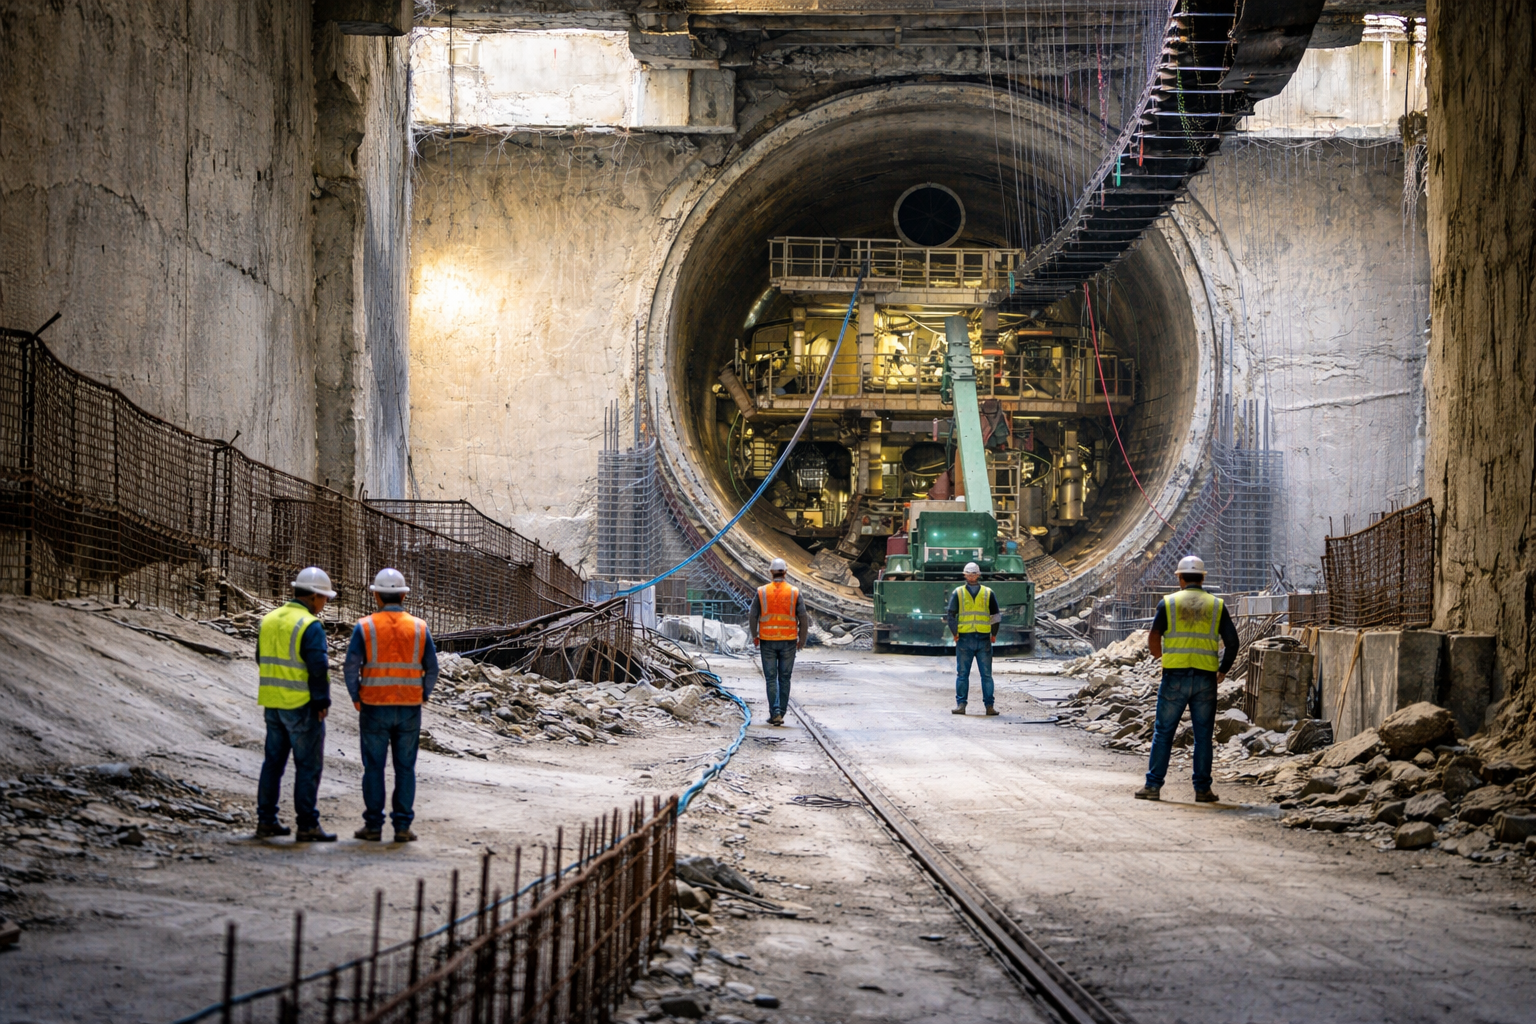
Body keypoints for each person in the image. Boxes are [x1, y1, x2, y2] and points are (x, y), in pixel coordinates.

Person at [345, 568, 439, 843]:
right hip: (409, 707)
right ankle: (402, 827)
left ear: (376, 595)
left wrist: (355, 696)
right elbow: (432, 668)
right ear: (403, 594)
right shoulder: (419, 627)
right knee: (405, 768)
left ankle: (373, 827)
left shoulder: (366, 626)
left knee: (373, 767)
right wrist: (424, 694)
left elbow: (351, 666)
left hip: (373, 706)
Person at [1136, 555, 1240, 803]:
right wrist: (1223, 669)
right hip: (1206, 680)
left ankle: (1153, 787)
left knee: (1163, 733)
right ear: (1203, 578)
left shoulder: (1169, 603)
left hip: (1174, 677)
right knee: (1203, 736)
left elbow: (1153, 637)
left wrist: (1161, 655)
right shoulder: (1216, 605)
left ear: (1180, 578)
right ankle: (1202, 790)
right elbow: (1233, 643)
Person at [255, 567, 337, 842]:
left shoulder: (269, 619)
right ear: (314, 596)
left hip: (272, 703)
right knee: (308, 766)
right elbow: (318, 667)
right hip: (302, 705)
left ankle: (266, 821)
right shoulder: (309, 625)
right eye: (324, 598)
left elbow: (260, 657)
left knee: (273, 764)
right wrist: (322, 701)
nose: (325, 604)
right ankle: (307, 825)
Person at [749, 557, 808, 726]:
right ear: (786, 573)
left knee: (770, 678)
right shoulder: (794, 592)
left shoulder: (762, 591)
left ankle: (774, 711)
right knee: (785, 677)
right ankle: (781, 712)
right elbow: (803, 617)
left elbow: (753, 615)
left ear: (771, 572)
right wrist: (801, 640)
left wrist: (755, 635)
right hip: (789, 641)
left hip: (767, 640)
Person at [945, 562, 1000, 716]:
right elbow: (951, 615)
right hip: (969, 638)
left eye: (973, 573)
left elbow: (995, 616)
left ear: (978, 575)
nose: (971, 576)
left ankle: (982, 706)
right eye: (969, 574)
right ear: (965, 575)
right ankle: (969, 705)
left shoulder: (964, 592)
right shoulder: (982, 592)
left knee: (971, 675)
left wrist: (993, 633)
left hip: (977, 639)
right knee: (979, 675)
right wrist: (955, 632)